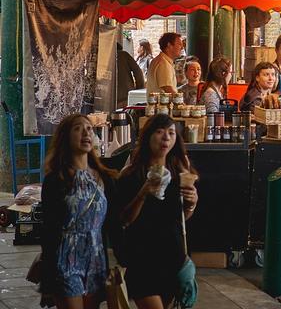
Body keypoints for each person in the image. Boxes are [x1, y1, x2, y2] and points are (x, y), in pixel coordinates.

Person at [117, 114, 198, 309]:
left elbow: (181, 219)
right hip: (142, 260)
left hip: (172, 257)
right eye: (160, 132)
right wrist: (143, 192)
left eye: (171, 133)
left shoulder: (180, 172)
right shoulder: (130, 175)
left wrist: (191, 203)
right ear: (147, 136)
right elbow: (124, 220)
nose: (166, 138)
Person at [41, 115, 116, 309]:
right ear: (65, 137)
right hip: (66, 258)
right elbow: (49, 228)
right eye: (78, 128)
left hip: (95, 258)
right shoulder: (56, 180)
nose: (86, 133)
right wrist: (48, 275)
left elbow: (114, 222)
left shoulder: (104, 177)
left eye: (90, 129)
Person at [116, 44, 145, 109]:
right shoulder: (124, 55)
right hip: (125, 96)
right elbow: (138, 72)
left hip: (106, 98)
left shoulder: (103, 56)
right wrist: (139, 89)